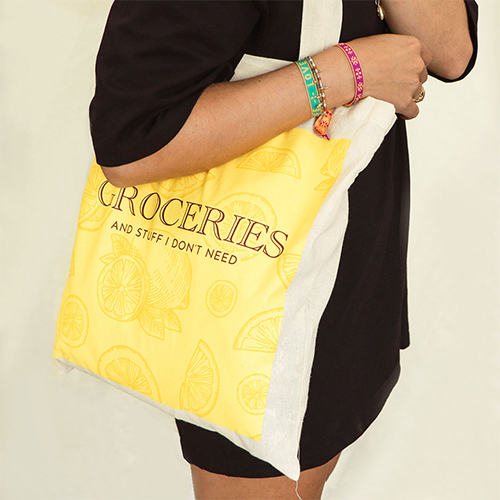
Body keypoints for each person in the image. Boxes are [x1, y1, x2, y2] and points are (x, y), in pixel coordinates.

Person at [89, 1, 478, 498]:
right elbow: (132, 143)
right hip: (254, 304)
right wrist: (345, 73)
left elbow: (449, 51)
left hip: (344, 280)